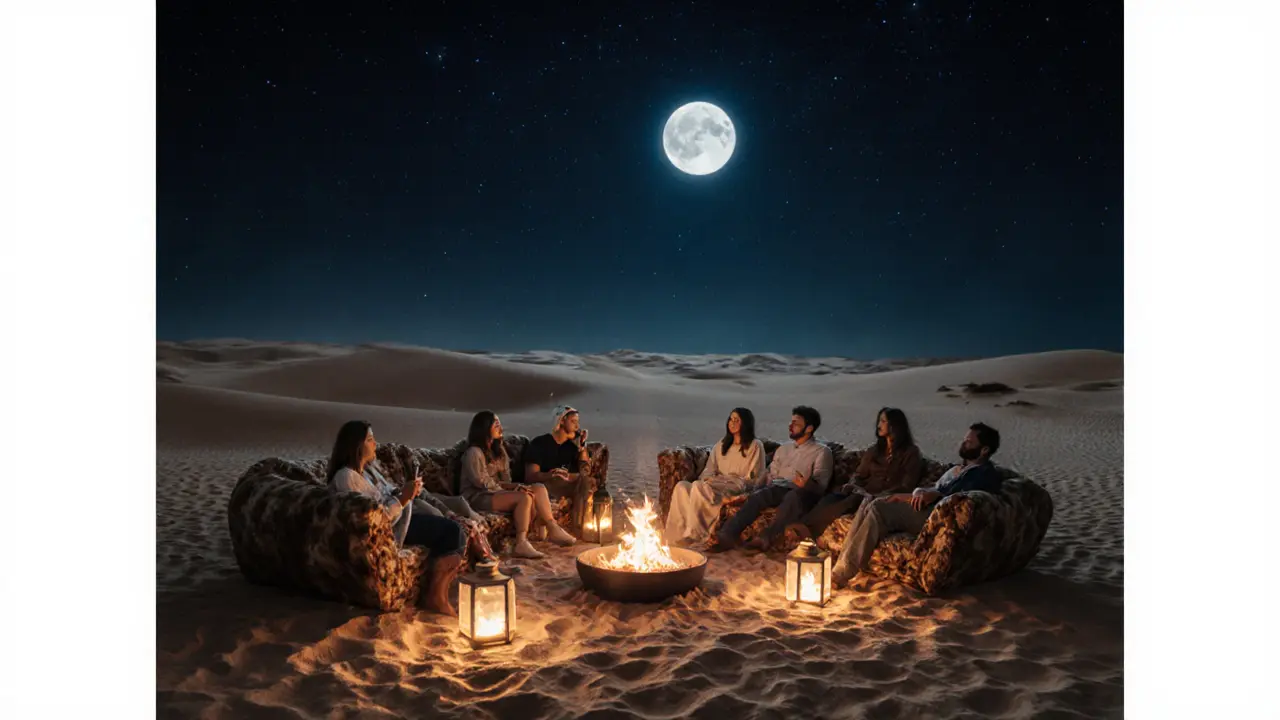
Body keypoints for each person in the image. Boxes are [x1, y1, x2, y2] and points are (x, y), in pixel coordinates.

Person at [830, 422, 1006, 588]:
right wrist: (901, 497)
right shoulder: (958, 469)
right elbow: (930, 492)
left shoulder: (984, 474)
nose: (964, 443)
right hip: (924, 505)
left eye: (969, 441)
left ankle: (843, 573)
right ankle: (842, 562)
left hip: (936, 517)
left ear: (984, 450)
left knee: (878, 509)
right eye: (965, 439)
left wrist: (936, 494)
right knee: (870, 502)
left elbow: (963, 497)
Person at [326, 420, 464, 616]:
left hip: (401, 515)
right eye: (370, 439)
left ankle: (436, 592)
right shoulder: (346, 477)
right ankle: (435, 596)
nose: (375, 444)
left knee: (452, 527)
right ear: (356, 446)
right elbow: (373, 518)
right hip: (389, 529)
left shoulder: (368, 470)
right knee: (452, 532)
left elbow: (387, 492)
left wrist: (407, 490)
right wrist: (403, 498)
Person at [706, 406, 834, 552]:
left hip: (803, 492)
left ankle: (765, 538)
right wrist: (756, 489)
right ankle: (726, 535)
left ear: (809, 428)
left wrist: (806, 483)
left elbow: (821, 485)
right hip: (778, 487)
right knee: (758, 497)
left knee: (793, 497)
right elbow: (771, 474)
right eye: (790, 422)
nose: (790, 426)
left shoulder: (822, 452)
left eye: (796, 423)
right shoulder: (783, 449)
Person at [788, 407, 923, 543]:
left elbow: (906, 485)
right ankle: (802, 525)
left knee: (850, 502)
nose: (878, 425)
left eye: (883, 421)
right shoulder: (874, 451)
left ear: (895, 425)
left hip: (882, 498)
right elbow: (859, 474)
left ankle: (806, 530)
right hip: (862, 492)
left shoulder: (911, 453)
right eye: (879, 421)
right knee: (831, 498)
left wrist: (881, 495)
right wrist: (853, 485)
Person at [461, 410, 577, 559]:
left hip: (497, 492)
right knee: (524, 498)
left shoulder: (499, 451)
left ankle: (552, 527)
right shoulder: (474, 452)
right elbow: (482, 482)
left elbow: (506, 479)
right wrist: (512, 488)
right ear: (484, 428)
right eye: (495, 424)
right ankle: (521, 543)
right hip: (477, 496)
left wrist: (513, 486)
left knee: (538, 488)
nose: (500, 427)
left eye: (499, 423)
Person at [663, 408, 767, 547]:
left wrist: (740, 489)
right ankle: (675, 535)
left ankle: (695, 534)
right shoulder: (721, 445)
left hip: (737, 484)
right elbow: (708, 470)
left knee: (699, 487)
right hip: (715, 483)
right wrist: (709, 479)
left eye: (737, 420)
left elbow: (755, 477)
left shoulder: (755, 445)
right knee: (682, 486)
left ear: (745, 423)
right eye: (731, 419)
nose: (732, 423)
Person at [523, 404, 595, 531]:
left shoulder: (571, 448)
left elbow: (585, 472)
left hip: (565, 486)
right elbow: (530, 476)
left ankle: (580, 527)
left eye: (577, 422)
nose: (577, 427)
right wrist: (551, 475)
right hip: (544, 487)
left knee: (587, 481)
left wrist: (582, 446)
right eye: (573, 422)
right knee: (572, 480)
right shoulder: (540, 443)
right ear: (561, 421)